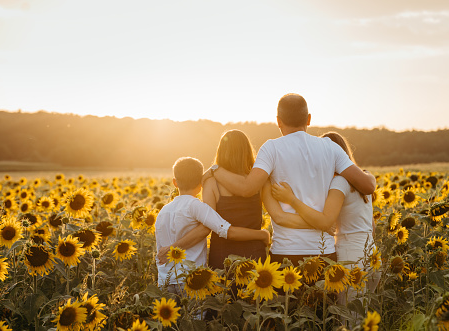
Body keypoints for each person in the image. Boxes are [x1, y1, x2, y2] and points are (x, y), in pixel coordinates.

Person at [206, 93, 376, 264]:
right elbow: (368, 186)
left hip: (286, 252)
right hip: (324, 251)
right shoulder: (331, 148)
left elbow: (247, 189)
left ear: (278, 121)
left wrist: (215, 170)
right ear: (309, 119)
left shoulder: (271, 149)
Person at [266, 132, 378, 307]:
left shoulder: (339, 183)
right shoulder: (364, 178)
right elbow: (372, 224)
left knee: (348, 318)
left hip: (350, 257)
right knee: (366, 313)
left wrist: (292, 200)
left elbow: (325, 220)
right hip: (371, 253)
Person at [157, 130, 267, 269]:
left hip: (223, 254)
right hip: (254, 250)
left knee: (225, 290)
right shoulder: (256, 182)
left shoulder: (211, 182)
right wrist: (264, 235)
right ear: (247, 151)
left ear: (221, 152)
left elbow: (207, 224)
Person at [155, 157, 270, 289]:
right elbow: (225, 230)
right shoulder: (196, 207)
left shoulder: (163, 211)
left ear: (175, 182)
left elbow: (160, 249)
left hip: (165, 281)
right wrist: (262, 235)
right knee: (195, 310)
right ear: (200, 185)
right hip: (192, 280)